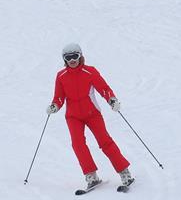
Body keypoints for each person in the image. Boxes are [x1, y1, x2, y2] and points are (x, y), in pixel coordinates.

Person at [47, 43, 134, 191]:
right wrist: (54, 106)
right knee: (78, 144)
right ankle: (91, 176)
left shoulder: (90, 72)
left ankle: (124, 172)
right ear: (64, 59)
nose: (72, 60)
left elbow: (104, 88)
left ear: (80, 56)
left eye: (75, 56)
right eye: (68, 57)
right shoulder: (61, 76)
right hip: (73, 116)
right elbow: (59, 97)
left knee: (105, 141)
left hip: (92, 113)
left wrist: (112, 100)